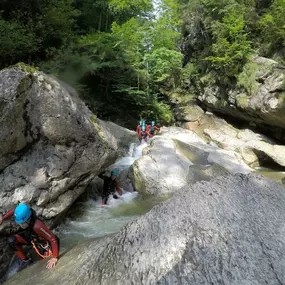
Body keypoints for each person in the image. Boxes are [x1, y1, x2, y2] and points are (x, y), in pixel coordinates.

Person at [0, 203, 59, 271]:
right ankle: (26, 261)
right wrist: (3, 217)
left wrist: (54, 257)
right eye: (19, 223)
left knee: (46, 259)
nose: (20, 225)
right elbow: (16, 210)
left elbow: (53, 238)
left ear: (28, 220)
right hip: (30, 236)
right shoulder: (26, 213)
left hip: (42, 242)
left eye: (22, 223)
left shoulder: (37, 226)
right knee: (11, 241)